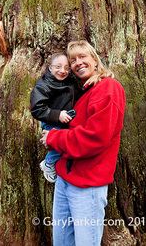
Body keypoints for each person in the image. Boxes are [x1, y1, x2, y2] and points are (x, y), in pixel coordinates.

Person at [40, 40, 126, 246]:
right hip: (65, 179)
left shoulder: (109, 88)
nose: (78, 63)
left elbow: (94, 138)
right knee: (61, 242)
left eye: (82, 57)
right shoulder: (84, 93)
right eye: (73, 60)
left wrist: (52, 138)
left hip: (87, 185)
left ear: (95, 60)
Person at [30, 53, 79, 183]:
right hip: (52, 121)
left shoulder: (70, 81)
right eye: (58, 66)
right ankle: (48, 163)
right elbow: (37, 109)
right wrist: (57, 115)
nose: (62, 71)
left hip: (67, 119)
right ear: (50, 68)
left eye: (67, 68)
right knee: (62, 144)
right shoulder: (43, 85)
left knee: (71, 141)